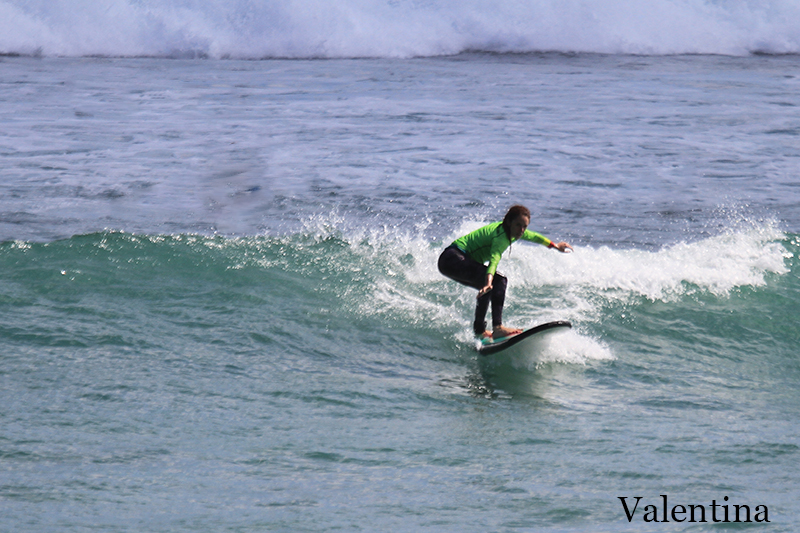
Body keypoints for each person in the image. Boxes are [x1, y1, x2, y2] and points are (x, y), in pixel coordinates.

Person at [437, 205, 572, 339]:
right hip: (453, 259)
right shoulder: (501, 237)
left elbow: (535, 237)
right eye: (518, 225)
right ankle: (498, 328)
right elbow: (494, 260)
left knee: (487, 288)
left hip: (450, 260)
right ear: (509, 222)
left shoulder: (514, 231)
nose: (522, 230)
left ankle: (479, 331)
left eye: (525, 226)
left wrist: (555, 246)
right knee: (499, 281)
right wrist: (489, 281)